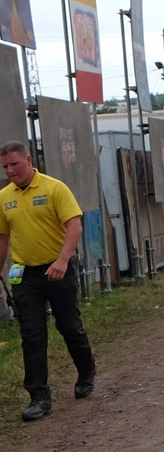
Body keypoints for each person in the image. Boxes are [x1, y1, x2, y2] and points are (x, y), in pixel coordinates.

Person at [0, 141, 96, 422]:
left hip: (58, 268)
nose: (10, 170)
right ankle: (39, 396)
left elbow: (74, 224)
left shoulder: (54, 188)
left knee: (69, 326)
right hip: (24, 273)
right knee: (31, 333)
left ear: (28, 159)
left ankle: (86, 370)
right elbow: (3, 237)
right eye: (5, 166)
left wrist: (62, 261)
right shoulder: (4, 197)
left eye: (14, 164)